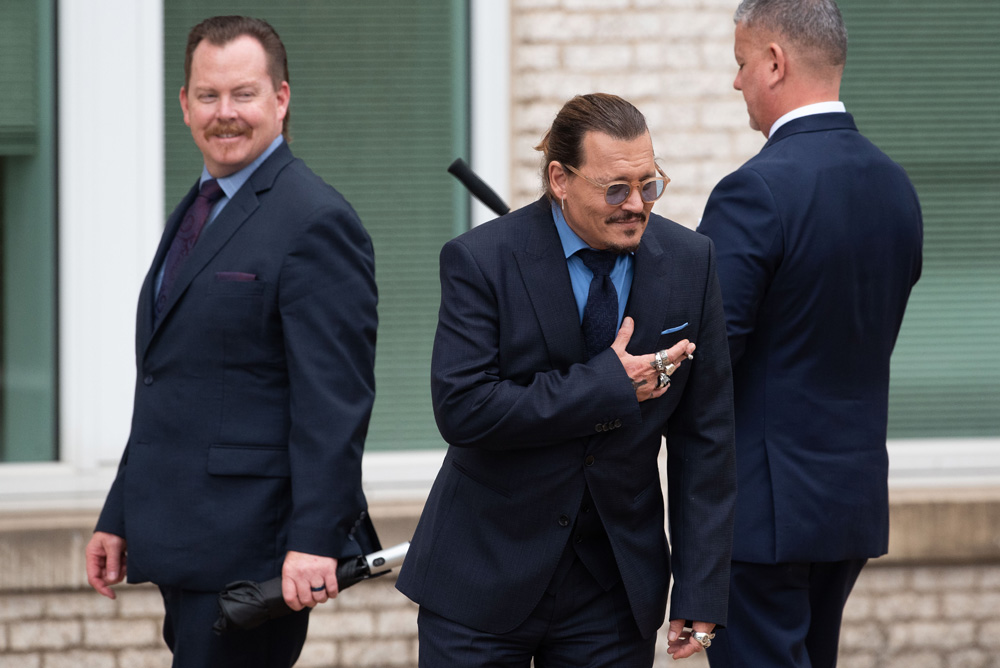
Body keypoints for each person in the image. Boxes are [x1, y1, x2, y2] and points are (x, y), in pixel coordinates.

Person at [397, 93, 737, 666]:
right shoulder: (481, 260)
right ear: (560, 177)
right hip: (481, 576)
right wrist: (608, 387)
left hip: (612, 588)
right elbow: (463, 406)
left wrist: (700, 586)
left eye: (649, 185)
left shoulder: (692, 261)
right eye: (615, 189)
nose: (637, 205)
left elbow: (706, 440)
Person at [84, 16, 380, 668]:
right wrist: (120, 512)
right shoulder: (199, 206)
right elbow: (175, 377)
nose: (226, 114)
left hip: (254, 549)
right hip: (185, 536)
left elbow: (333, 403)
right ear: (184, 105)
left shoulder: (315, 220)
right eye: (209, 96)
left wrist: (314, 539)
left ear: (280, 98)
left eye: (243, 94)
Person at [697, 1, 923, 666]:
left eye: (741, 64)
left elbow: (710, 352)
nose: (736, 82)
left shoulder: (754, 191)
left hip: (764, 513)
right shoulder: (895, 188)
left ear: (775, 62)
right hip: (847, 501)